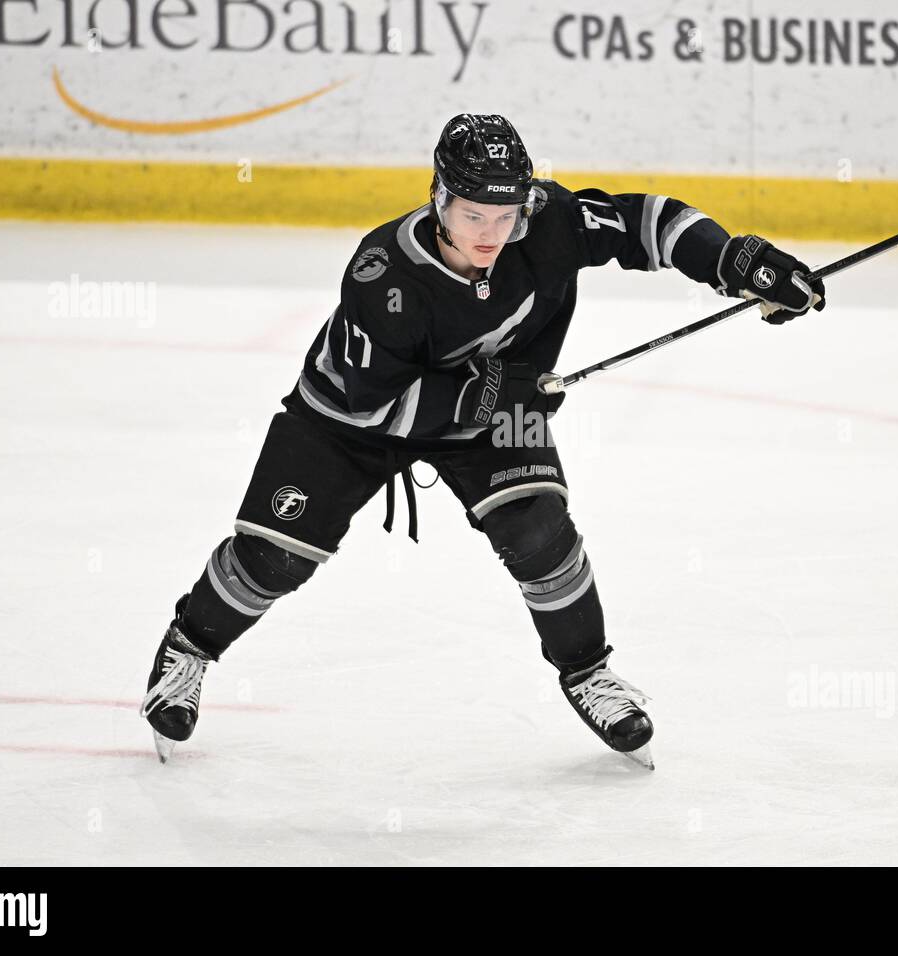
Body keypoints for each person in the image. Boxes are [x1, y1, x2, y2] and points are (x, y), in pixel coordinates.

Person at [140, 113, 825, 770]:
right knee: (274, 560)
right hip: (347, 419)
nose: (492, 232)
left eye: (506, 215)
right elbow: (380, 402)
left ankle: (589, 673)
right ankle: (189, 649)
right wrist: (496, 393)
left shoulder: (546, 220)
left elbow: (649, 222)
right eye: (473, 215)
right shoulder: (385, 276)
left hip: (496, 402)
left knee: (540, 534)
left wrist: (732, 258)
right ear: (439, 198)